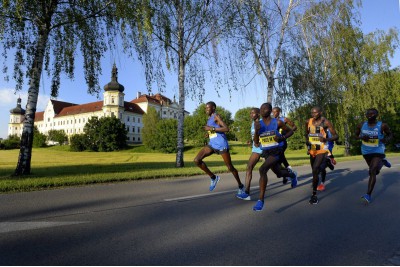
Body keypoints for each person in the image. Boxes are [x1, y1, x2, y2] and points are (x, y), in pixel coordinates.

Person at [251, 103, 298, 211]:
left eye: (265, 108)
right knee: (279, 173)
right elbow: (257, 143)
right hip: (267, 151)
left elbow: (290, 131)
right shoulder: (258, 124)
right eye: (261, 108)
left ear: (270, 110)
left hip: (278, 149)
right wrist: (257, 131)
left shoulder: (277, 122)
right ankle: (291, 174)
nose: (262, 110)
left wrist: (282, 138)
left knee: (262, 169)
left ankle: (260, 200)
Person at [194, 101, 245, 194]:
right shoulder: (209, 119)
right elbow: (214, 131)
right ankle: (213, 177)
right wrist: (209, 133)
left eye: (207, 108)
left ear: (213, 108)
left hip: (221, 145)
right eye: (205, 108)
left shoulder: (216, 116)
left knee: (230, 167)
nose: (206, 110)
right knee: (197, 160)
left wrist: (212, 129)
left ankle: (241, 186)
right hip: (212, 144)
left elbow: (226, 128)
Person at [355, 108, 392, 204]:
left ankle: (368, 195)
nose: (370, 115)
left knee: (372, 171)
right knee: (375, 171)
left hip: (378, 150)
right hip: (366, 151)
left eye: (372, 113)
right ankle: (383, 161)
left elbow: (390, 135)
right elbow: (355, 136)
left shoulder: (382, 125)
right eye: (368, 113)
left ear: (377, 115)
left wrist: (386, 139)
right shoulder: (361, 125)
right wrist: (361, 137)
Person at [305, 106, 338, 205]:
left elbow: (336, 136)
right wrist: (308, 144)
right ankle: (327, 162)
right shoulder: (308, 121)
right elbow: (306, 134)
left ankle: (314, 195)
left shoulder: (326, 123)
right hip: (313, 149)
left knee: (315, 169)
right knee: (314, 171)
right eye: (312, 113)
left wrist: (326, 139)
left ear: (320, 112)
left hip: (323, 148)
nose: (313, 114)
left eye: (315, 113)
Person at [272, 106, 298, 184]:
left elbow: (294, 127)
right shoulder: (271, 121)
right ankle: (287, 173)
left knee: (280, 157)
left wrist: (286, 134)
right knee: (279, 161)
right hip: (274, 143)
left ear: (279, 112)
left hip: (282, 142)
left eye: (275, 112)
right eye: (272, 112)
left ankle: (288, 172)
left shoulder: (284, 119)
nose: (274, 113)